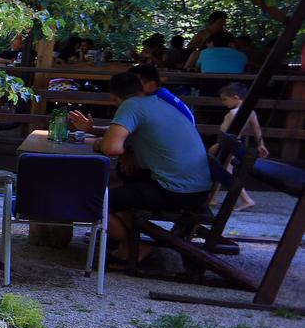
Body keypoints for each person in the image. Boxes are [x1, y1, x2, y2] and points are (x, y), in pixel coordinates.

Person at [67, 71, 212, 265]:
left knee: (92, 201)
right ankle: (127, 246)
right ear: (141, 87)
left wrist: (98, 144)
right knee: (122, 183)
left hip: (177, 190)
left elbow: (111, 147)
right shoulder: (156, 102)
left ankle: (136, 247)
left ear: (113, 97)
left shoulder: (131, 105)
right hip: (196, 188)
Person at [210, 83, 268, 211]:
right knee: (223, 170)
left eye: (225, 99)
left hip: (229, 144)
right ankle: (213, 198)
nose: (223, 103)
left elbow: (225, 132)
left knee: (224, 172)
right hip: (236, 143)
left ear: (235, 97)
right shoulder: (251, 112)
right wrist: (261, 144)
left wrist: (218, 145)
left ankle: (246, 199)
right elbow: (257, 131)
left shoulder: (233, 113)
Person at [130, 62, 195, 125]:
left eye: (136, 84)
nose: (131, 88)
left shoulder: (157, 99)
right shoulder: (162, 94)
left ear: (151, 85)